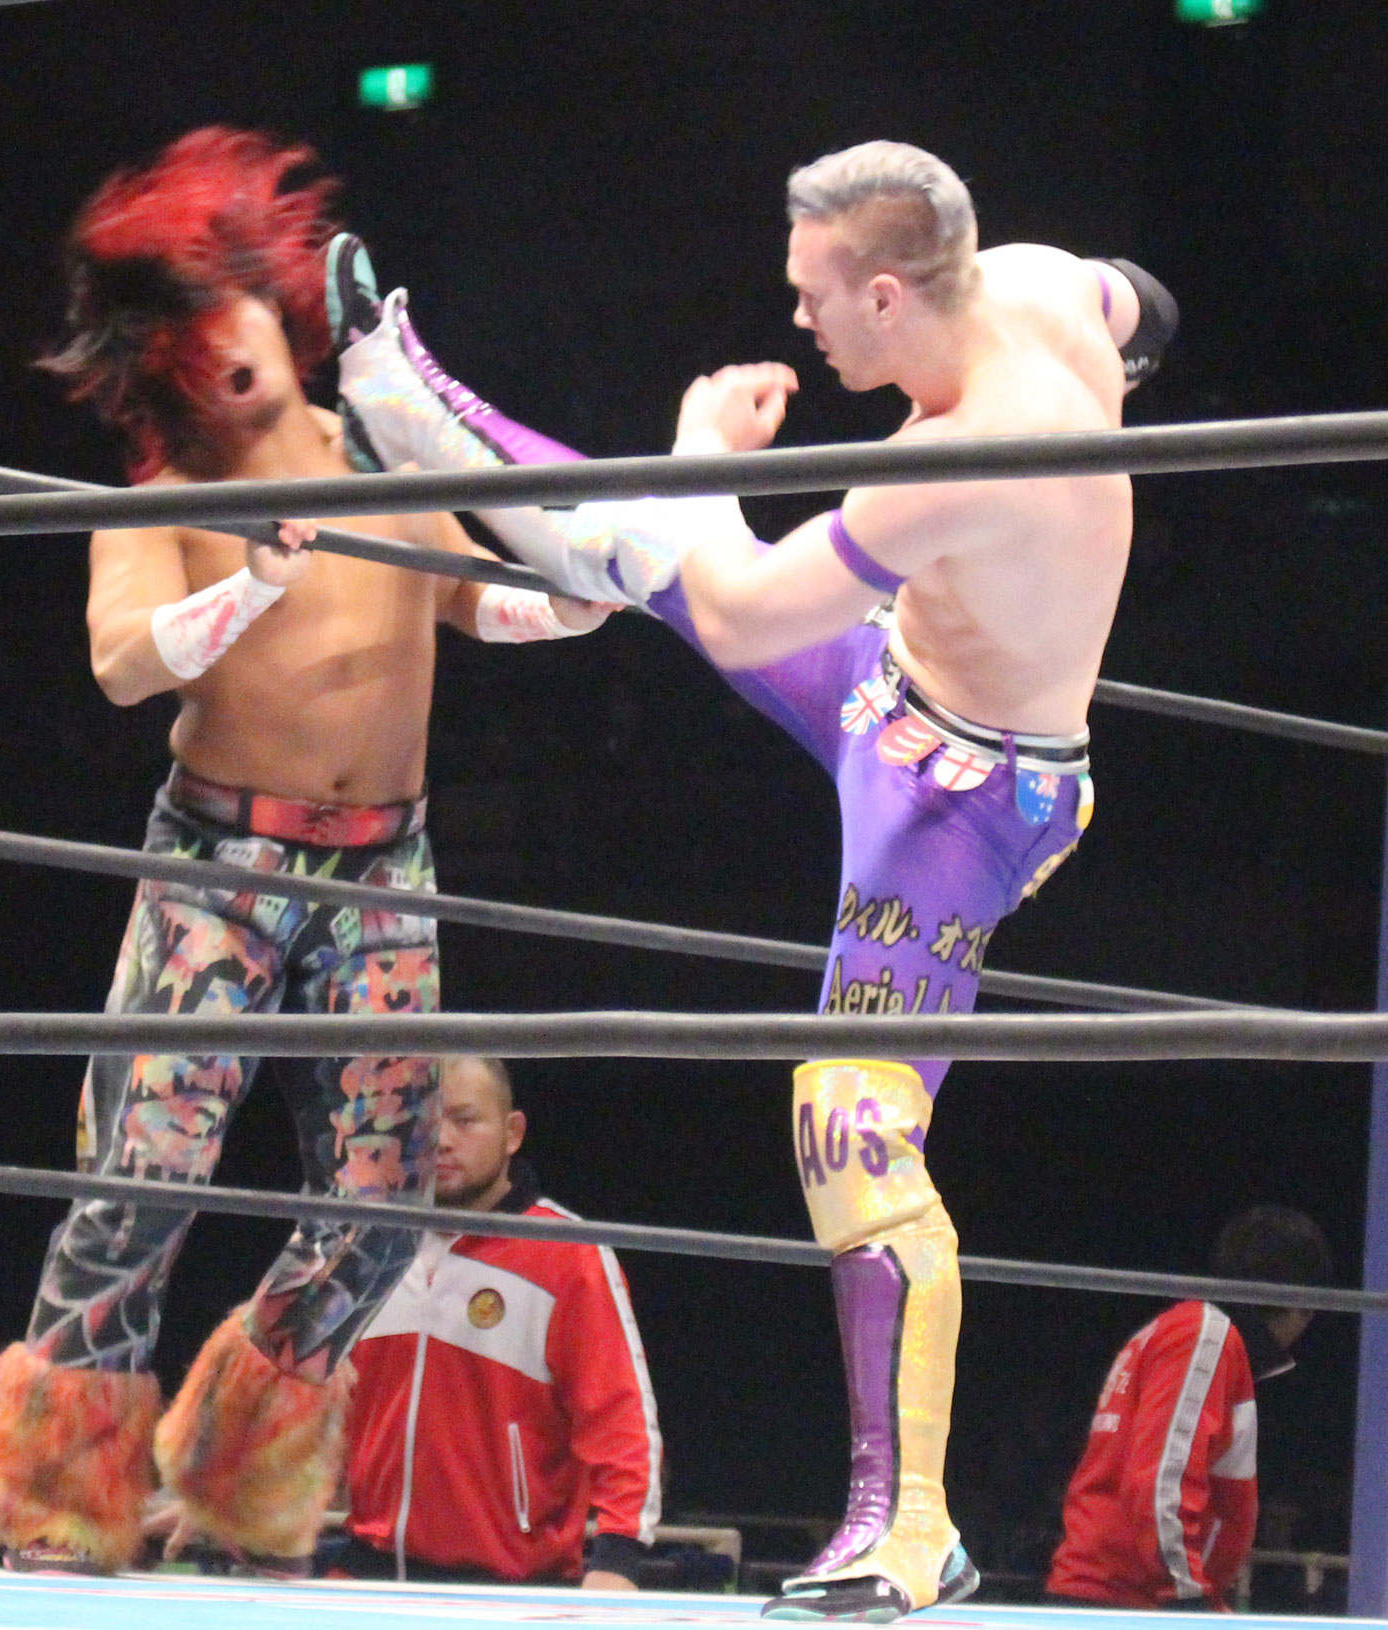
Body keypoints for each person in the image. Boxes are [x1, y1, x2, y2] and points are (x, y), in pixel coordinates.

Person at [335, 139, 1175, 1622]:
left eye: (813, 294)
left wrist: (696, 447)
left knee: (847, 1117)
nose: (796, 318)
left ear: (889, 294)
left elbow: (736, 615)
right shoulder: (1045, 287)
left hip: (963, 802)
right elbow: (1144, 306)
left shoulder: (959, 459)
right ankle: (403, 400)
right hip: (889, 676)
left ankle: (907, 1527)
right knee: (640, 546)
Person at [0, 127, 614, 1577]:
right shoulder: (165, 490)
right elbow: (122, 664)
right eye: (184, 347)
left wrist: (571, 605)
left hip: (384, 869)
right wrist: (249, 588)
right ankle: (62, 1501)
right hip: (219, 867)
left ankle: (240, 1478)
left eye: (227, 320)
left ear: (268, 301)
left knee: (377, 1215)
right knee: (139, 1184)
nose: (220, 357)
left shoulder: (382, 450)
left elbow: (472, 597)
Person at [334, 1056, 661, 1588]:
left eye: (465, 1120)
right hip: (365, 1576)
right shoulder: (365, 1243)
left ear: (513, 1133)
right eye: (424, 1121)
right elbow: (297, 1397)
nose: (441, 1140)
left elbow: (620, 1418)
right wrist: (243, 1506)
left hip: (514, 1591)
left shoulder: (567, 1252)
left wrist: (617, 1560)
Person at [1045, 1206, 1333, 1611]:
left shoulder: (1189, 1334)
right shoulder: (1203, 1335)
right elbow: (1164, 1476)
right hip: (1126, 1604)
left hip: (1127, 1598)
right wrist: (1185, 1597)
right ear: (1300, 1298)